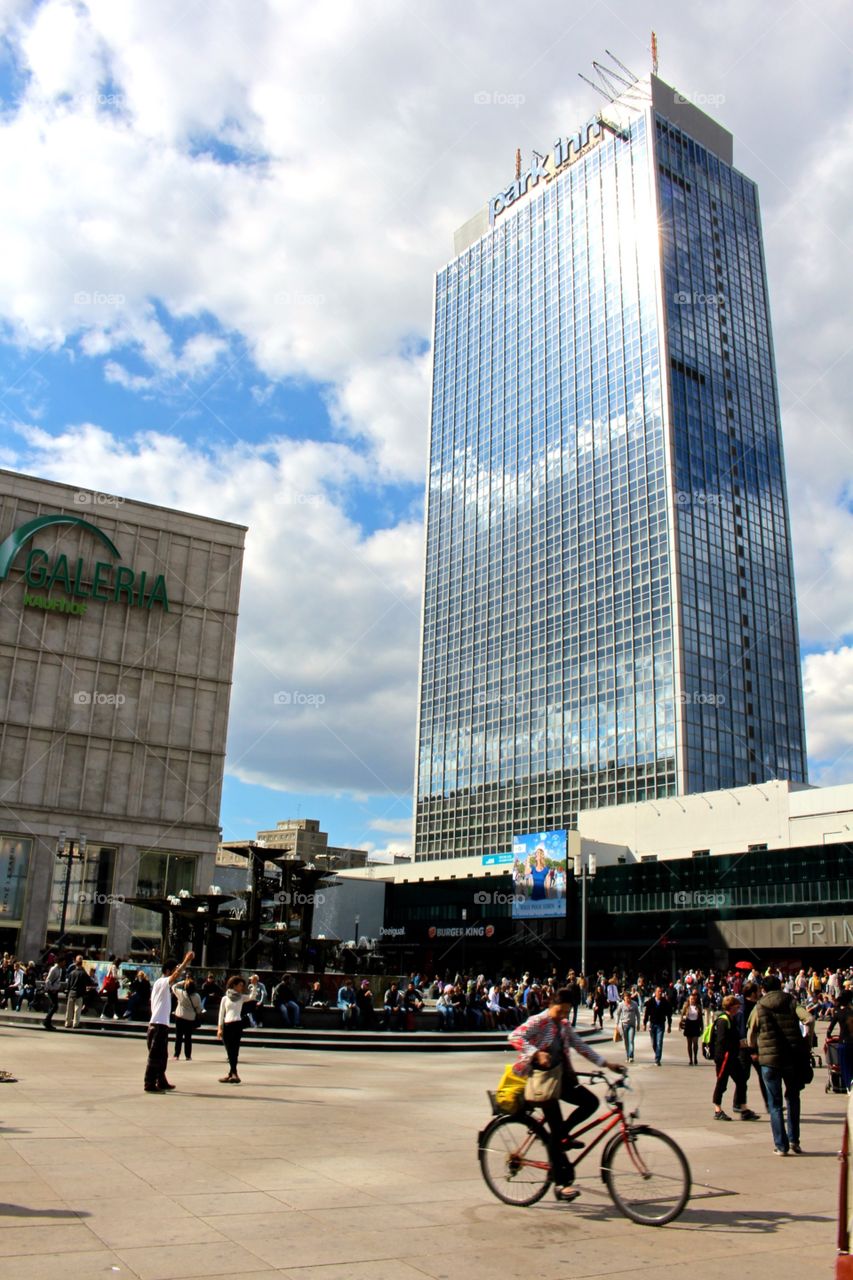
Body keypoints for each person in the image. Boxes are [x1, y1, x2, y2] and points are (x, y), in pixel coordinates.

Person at [509, 988, 626, 1202]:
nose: (563, 1015)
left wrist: (606, 1064)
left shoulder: (562, 1025)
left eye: (566, 1011)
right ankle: (560, 1184)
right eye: (560, 1011)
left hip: (560, 1079)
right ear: (550, 1005)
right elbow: (514, 1036)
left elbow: (580, 1046)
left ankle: (561, 1137)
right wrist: (536, 1053)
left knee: (590, 1102)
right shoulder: (539, 1021)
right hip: (541, 1082)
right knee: (555, 1128)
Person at [748, 975, 813, 1155]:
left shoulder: (759, 1006)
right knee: (793, 1098)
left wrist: (753, 1048)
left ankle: (781, 1146)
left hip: (769, 1060)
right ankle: (794, 1140)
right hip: (791, 1058)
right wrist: (807, 1040)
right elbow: (810, 1019)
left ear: (763, 989)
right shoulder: (791, 1002)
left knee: (775, 1104)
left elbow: (751, 1031)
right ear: (780, 986)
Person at [144, 951, 193, 1093]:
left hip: (160, 1025)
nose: (177, 972)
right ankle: (149, 1083)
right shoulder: (162, 982)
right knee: (155, 1057)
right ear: (167, 971)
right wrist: (185, 962)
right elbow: (175, 976)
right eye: (174, 968)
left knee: (162, 1056)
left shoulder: (161, 986)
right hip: (158, 1025)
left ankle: (161, 1081)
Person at [711, 995, 757, 1121]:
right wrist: (737, 1044)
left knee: (742, 1080)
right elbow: (721, 1041)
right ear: (731, 1007)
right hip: (724, 1057)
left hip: (732, 1056)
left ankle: (743, 1108)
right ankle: (717, 1109)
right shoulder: (723, 1021)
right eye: (737, 1006)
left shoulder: (732, 1019)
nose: (739, 1009)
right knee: (722, 1083)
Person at [217, 976, 252, 1083]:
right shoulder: (225, 998)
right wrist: (219, 1028)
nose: (241, 988)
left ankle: (234, 1073)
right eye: (240, 985)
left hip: (237, 1024)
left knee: (234, 1050)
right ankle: (232, 1073)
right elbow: (221, 1014)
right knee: (229, 1050)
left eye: (242, 985)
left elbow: (252, 997)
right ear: (234, 985)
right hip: (227, 1024)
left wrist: (254, 984)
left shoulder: (241, 997)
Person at [173, 977, 202, 1061]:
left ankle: (176, 1054)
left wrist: (182, 982)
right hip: (190, 1019)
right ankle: (188, 1055)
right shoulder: (197, 996)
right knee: (188, 1037)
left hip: (180, 1017)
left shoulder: (181, 993)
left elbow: (173, 986)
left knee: (178, 1037)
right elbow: (199, 1008)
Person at [643, 986, 672, 1066]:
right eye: (658, 991)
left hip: (660, 1025)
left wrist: (669, 1025)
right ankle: (657, 1053)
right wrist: (644, 1024)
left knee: (659, 1042)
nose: (660, 993)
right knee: (654, 1043)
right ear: (655, 993)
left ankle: (657, 1059)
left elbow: (669, 1014)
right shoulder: (651, 1002)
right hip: (652, 1024)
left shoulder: (665, 1002)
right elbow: (646, 1013)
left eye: (661, 992)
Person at [64, 956, 95, 1029]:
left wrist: (67, 991)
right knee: (77, 1009)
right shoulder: (83, 973)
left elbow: (68, 984)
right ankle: (75, 1023)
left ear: (76, 965)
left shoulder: (72, 973)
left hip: (71, 992)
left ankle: (67, 1023)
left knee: (69, 1009)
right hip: (79, 993)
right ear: (81, 965)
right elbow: (89, 982)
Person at [614, 990, 640, 1063]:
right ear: (624, 998)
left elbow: (638, 1014)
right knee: (626, 1041)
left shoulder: (634, 1004)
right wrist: (617, 1024)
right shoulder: (621, 1004)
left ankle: (631, 1056)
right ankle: (627, 1056)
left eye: (629, 997)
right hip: (624, 1025)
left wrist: (638, 1024)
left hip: (632, 1025)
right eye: (626, 997)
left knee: (631, 1040)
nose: (628, 999)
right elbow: (618, 1014)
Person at [680, 989, 703, 1065]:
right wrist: (681, 1024)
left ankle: (695, 1057)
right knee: (689, 1044)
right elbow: (682, 1015)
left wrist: (702, 1027)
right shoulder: (686, 1007)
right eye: (691, 999)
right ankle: (690, 1059)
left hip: (696, 1025)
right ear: (689, 1000)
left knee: (695, 1043)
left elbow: (701, 1018)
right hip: (688, 1024)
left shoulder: (698, 1007)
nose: (692, 1000)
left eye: (693, 999)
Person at [42, 957, 64, 1030]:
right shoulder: (53, 969)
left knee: (53, 1006)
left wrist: (58, 987)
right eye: (63, 962)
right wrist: (51, 989)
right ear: (60, 962)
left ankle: (48, 1022)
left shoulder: (60, 969)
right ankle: (46, 1021)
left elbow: (57, 980)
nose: (64, 964)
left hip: (55, 990)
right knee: (55, 1006)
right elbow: (48, 980)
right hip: (52, 990)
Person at [99, 955, 121, 1020]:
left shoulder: (111, 966)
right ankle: (113, 1014)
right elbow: (114, 976)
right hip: (112, 986)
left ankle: (107, 1014)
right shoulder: (114, 966)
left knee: (111, 1001)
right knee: (112, 1001)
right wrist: (121, 977)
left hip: (111, 986)